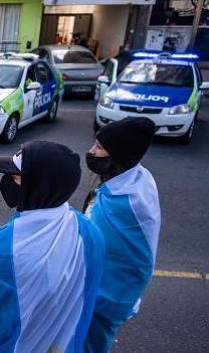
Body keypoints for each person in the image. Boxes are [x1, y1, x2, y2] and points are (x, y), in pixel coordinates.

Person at [0, 141, 105, 352]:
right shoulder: (90, 232)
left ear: (37, 185)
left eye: (15, 176)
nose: (8, 180)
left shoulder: (5, 250)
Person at [83, 117, 160, 352]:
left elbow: (85, 244)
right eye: (94, 143)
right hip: (114, 297)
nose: (91, 151)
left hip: (103, 301)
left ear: (118, 156)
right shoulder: (138, 177)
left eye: (99, 147)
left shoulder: (122, 205)